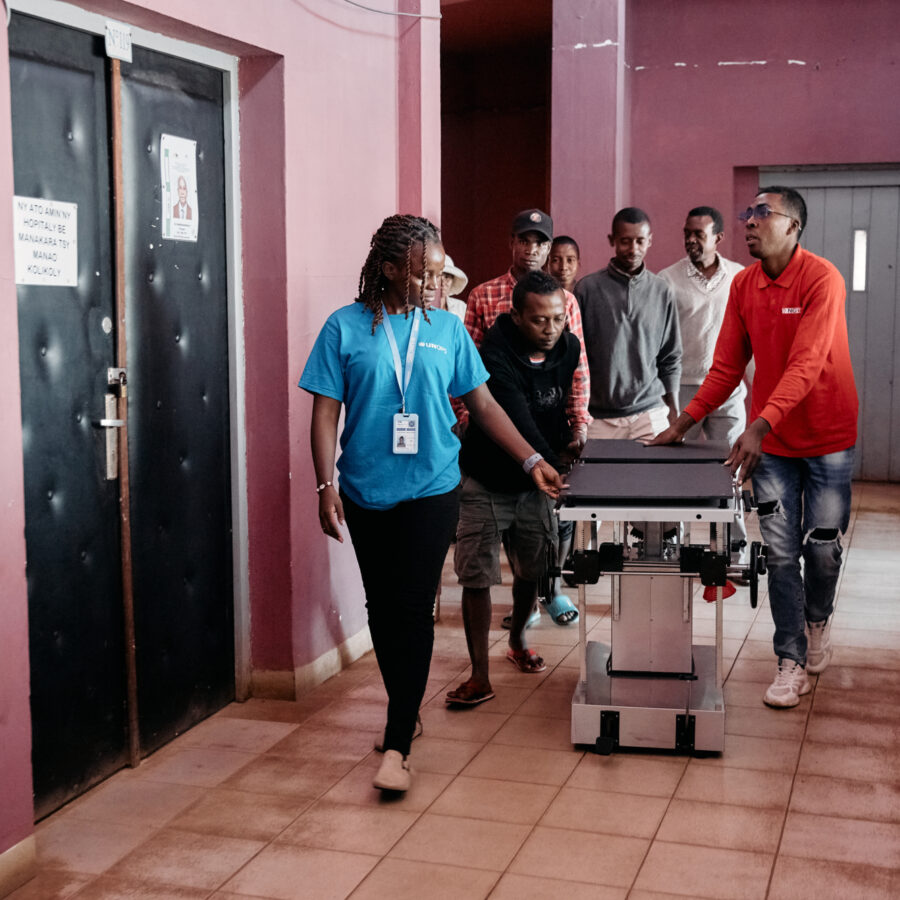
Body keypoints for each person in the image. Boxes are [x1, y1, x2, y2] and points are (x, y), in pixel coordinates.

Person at [298, 214, 563, 792]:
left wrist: (530, 459)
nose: (437, 287)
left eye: (441, 276)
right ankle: (406, 706)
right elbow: (324, 414)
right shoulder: (344, 329)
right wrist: (326, 486)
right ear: (389, 270)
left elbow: (486, 406)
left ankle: (396, 742)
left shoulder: (446, 328)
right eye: (424, 276)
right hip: (367, 490)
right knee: (381, 608)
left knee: (415, 608)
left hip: (433, 487)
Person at [649, 187, 858, 709]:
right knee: (782, 552)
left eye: (764, 214)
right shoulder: (744, 285)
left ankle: (817, 620)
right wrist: (686, 421)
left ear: (793, 227)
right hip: (775, 444)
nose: (750, 221)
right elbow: (726, 367)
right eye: (749, 213)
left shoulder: (822, 279)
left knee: (823, 547)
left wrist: (759, 424)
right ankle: (790, 659)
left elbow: (807, 363)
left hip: (828, 436)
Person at [447, 271, 580, 706]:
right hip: (487, 478)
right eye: (540, 320)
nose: (551, 328)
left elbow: (558, 406)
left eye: (558, 318)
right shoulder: (493, 353)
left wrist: (574, 440)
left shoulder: (569, 347)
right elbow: (515, 414)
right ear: (517, 316)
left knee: (532, 572)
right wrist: (547, 462)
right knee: (477, 577)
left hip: (536, 484)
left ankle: (519, 641)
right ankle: (479, 676)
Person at [460, 208, 590, 627]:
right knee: (485, 556)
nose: (532, 248)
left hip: (546, 437)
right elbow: (470, 374)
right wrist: (465, 418)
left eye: (540, 242)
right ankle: (524, 613)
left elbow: (578, 371)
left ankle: (545, 596)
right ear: (512, 243)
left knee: (542, 540)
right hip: (495, 438)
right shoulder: (483, 297)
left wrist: (579, 424)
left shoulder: (565, 302)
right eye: (524, 239)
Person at [658, 206, 749, 563]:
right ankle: (672, 542)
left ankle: (733, 547)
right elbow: (661, 340)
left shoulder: (739, 277)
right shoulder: (667, 279)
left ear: (718, 238)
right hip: (683, 391)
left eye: (699, 234)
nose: (692, 240)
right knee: (679, 473)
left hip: (728, 390)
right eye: (687, 233)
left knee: (731, 470)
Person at [575, 207, 681, 440]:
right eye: (625, 241)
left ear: (649, 241)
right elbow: (573, 358)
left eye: (640, 241)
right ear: (612, 240)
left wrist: (673, 410)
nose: (633, 249)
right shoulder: (587, 289)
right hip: (598, 417)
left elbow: (670, 356)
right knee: (597, 478)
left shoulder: (662, 290)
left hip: (649, 413)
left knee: (653, 477)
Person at [440, 254, 468, 321]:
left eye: (447, 277)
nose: (443, 282)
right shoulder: (420, 308)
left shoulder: (461, 307)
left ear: (452, 281)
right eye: (438, 277)